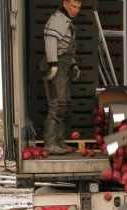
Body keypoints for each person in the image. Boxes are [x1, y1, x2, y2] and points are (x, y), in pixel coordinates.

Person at [40, 0, 83, 155]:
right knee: (57, 103)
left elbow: (65, 47)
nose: (76, 10)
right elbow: (51, 41)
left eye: (78, 7)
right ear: (65, 4)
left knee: (65, 104)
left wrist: (73, 64)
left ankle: (60, 143)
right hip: (56, 63)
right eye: (73, 6)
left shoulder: (66, 21)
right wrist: (53, 63)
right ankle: (50, 144)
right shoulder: (58, 19)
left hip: (63, 64)